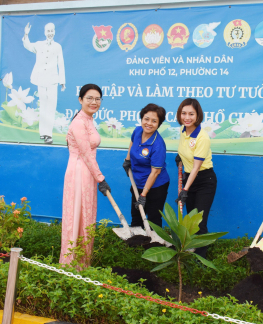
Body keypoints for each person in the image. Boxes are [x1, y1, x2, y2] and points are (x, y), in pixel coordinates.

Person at [60, 84, 111, 267]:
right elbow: (86, 154)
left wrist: (96, 177)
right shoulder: (78, 122)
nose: (94, 102)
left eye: (98, 99)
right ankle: (71, 265)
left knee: (85, 216)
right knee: (76, 215)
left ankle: (83, 264)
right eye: (89, 98)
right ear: (80, 99)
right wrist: (101, 178)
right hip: (79, 172)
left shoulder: (88, 119)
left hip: (87, 173)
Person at [175, 98, 217, 259]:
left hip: (204, 181)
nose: (187, 117)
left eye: (191, 114)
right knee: (190, 220)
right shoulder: (183, 130)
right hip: (189, 179)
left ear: (198, 115)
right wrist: (180, 157)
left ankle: (201, 258)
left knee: (199, 221)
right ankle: (191, 248)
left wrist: (185, 190)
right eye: (184, 113)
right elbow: (186, 151)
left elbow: (196, 167)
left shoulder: (202, 137)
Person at [122, 104, 170, 228]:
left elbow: (155, 172)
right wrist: (127, 160)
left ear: (159, 124)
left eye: (154, 121)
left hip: (156, 185)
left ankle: (155, 244)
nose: (149, 123)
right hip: (137, 181)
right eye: (146, 119)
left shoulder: (158, 144)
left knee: (153, 217)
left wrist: (143, 195)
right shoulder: (138, 130)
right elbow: (132, 142)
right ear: (142, 118)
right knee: (136, 214)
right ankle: (136, 243)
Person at [23, 22, 66, 145]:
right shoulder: (39, 45)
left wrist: (62, 81)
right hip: (41, 79)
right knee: (43, 106)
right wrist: (26, 34)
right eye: (48, 31)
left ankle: (49, 134)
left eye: (52, 31)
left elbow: (61, 64)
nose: (50, 33)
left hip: (53, 80)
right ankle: (42, 133)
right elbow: (28, 45)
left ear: (55, 31)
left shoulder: (58, 46)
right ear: (44, 32)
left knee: (51, 107)